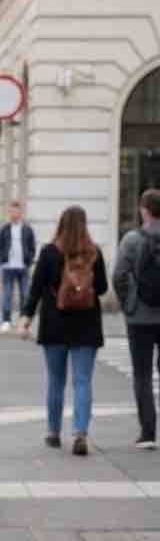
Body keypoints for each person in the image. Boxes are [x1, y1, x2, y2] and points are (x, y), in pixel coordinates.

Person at [18, 206, 107, 456]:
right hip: (87, 325)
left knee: (56, 381)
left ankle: (53, 432)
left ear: (61, 224)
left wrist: (26, 316)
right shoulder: (94, 253)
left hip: (54, 325)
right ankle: (80, 432)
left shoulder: (49, 252)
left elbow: (35, 288)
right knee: (83, 381)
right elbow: (101, 288)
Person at [111, 188, 160, 449]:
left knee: (142, 374)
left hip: (139, 319)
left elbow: (118, 275)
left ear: (143, 210)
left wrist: (129, 305)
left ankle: (148, 433)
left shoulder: (131, 239)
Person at [0, 200, 36, 332]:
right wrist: (2, 259)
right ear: (9, 213)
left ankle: (23, 321)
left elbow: (32, 246)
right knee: (7, 295)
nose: (14, 213)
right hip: (8, 266)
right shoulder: (5, 229)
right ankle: (6, 321)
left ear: (20, 213)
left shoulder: (27, 229)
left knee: (25, 295)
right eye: (12, 211)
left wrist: (29, 259)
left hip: (23, 267)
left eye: (16, 211)